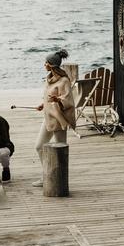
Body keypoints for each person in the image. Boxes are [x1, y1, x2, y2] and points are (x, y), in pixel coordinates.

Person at [32, 49, 76, 187]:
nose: (44, 64)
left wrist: (58, 100)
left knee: (60, 152)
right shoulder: (49, 78)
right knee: (39, 147)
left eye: (46, 62)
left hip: (59, 120)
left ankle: (60, 180)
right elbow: (48, 98)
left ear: (51, 65)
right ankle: (47, 175)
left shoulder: (64, 81)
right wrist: (43, 104)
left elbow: (69, 101)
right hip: (48, 118)